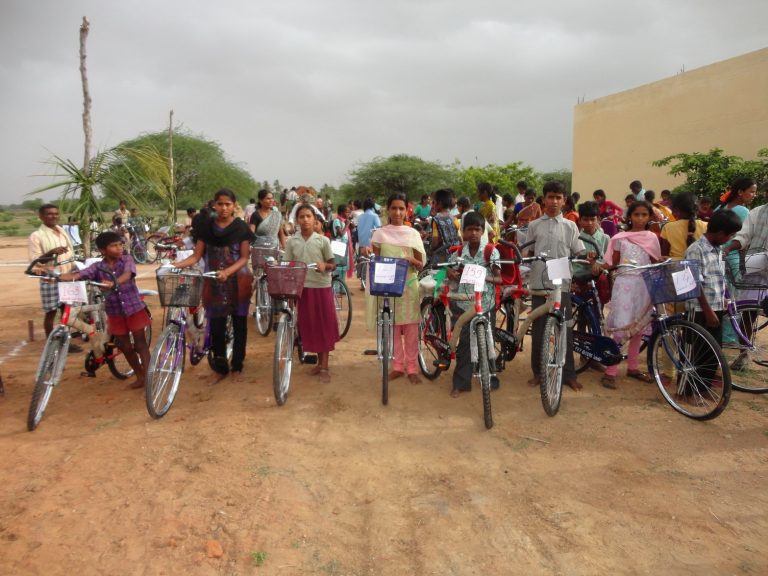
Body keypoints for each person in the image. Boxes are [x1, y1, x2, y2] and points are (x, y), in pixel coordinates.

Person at [173, 189, 254, 379]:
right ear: (214, 205)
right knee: (216, 323)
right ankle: (220, 363)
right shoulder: (206, 228)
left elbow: (244, 258)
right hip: (213, 280)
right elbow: (196, 255)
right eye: (220, 204)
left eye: (228, 204)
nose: (224, 208)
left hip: (238, 280)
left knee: (239, 322)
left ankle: (237, 365)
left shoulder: (241, 228)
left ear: (234, 206)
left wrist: (227, 271)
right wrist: (177, 264)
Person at [57, 231, 152, 389]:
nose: (119, 248)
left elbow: (128, 274)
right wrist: (56, 277)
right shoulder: (97, 267)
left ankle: (148, 378)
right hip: (115, 312)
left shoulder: (126, 260)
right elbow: (81, 274)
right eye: (114, 245)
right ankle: (140, 375)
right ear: (102, 250)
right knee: (125, 346)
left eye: (120, 245)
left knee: (141, 344)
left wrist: (115, 282)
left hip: (134, 308)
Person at [526, 181, 586, 391]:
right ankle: (538, 372)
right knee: (540, 329)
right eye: (550, 197)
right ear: (544, 199)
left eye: (558, 197)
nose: (553, 201)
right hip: (539, 283)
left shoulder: (570, 226)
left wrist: (589, 256)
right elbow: (527, 252)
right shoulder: (534, 226)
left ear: (564, 201)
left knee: (565, 329)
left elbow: (579, 251)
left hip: (562, 284)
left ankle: (568, 374)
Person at [600, 202, 662, 389]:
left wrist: (662, 261)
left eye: (644, 215)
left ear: (650, 217)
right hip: (624, 284)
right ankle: (611, 370)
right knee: (620, 326)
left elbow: (654, 262)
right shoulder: (620, 238)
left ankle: (633, 367)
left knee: (639, 327)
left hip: (644, 285)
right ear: (629, 216)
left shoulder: (652, 238)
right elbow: (613, 262)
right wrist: (596, 265)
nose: (640, 218)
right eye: (636, 214)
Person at [370, 193, 425, 384]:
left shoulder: (413, 234)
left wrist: (412, 260)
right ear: (388, 209)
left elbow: (421, 264)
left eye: (401, 208)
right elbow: (376, 262)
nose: (398, 212)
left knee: (410, 330)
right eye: (394, 208)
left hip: (409, 287)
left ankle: (412, 368)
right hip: (388, 287)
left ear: (407, 210)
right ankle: (397, 366)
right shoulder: (379, 234)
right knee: (392, 328)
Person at [445, 211, 501, 397]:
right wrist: (451, 273)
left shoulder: (490, 251)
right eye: (469, 229)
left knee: (487, 341)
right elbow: (449, 271)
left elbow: (499, 277)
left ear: (483, 230)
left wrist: (485, 275)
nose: (474, 233)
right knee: (465, 344)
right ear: (463, 232)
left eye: (477, 229)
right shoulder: (459, 252)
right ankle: (461, 382)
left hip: (485, 303)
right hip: (464, 304)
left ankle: (490, 377)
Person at [684, 209, 742, 386]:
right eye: (730, 235)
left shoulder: (718, 249)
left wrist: (725, 298)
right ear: (720, 233)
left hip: (716, 307)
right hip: (700, 310)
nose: (730, 239)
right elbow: (694, 283)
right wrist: (708, 311)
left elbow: (719, 277)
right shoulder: (696, 250)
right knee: (695, 353)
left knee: (712, 352)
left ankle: (704, 387)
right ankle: (687, 391)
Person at [284, 203, 339, 383]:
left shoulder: (322, 241)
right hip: (302, 289)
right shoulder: (292, 242)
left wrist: (325, 266)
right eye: (302, 217)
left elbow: (333, 264)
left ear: (315, 219)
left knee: (324, 325)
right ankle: (318, 364)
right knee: (310, 325)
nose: (305, 220)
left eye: (308, 216)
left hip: (321, 287)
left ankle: (324, 366)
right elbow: (287, 265)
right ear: (297, 221)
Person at [28, 203, 78, 340]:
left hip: (67, 276)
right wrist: (51, 252)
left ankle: (65, 341)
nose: (53, 216)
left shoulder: (61, 231)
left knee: (66, 311)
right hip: (50, 279)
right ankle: (51, 343)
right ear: (41, 216)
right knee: (51, 312)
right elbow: (36, 261)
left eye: (56, 213)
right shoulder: (36, 236)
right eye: (49, 214)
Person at [573, 201, 610, 305]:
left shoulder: (605, 238)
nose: (589, 223)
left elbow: (609, 260)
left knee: (598, 310)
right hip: (580, 280)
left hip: (599, 281)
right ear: (579, 220)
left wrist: (599, 265)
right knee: (582, 310)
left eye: (592, 219)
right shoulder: (575, 239)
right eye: (585, 219)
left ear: (598, 219)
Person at [659, 192, 706, 259]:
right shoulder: (706, 226)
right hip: (701, 266)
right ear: (696, 208)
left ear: (676, 209)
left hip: (676, 268)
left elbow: (664, 256)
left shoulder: (668, 227)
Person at [430, 188, 462, 262]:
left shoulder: (436, 220)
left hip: (442, 258)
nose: (433, 205)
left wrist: (430, 250)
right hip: (454, 255)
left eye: (434, 202)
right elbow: (460, 238)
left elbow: (435, 242)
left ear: (440, 203)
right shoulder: (454, 219)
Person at [331, 203, 354, 284]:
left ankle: (342, 289)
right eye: (347, 212)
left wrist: (350, 225)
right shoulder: (337, 221)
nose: (348, 214)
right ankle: (336, 289)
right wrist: (347, 224)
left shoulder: (344, 221)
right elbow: (341, 234)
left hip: (344, 249)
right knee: (337, 269)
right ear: (341, 212)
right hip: (338, 248)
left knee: (343, 268)